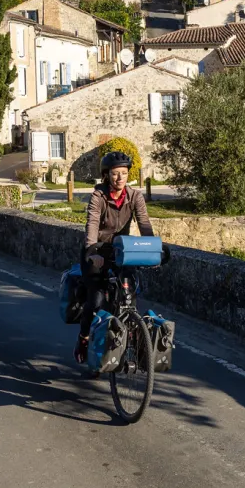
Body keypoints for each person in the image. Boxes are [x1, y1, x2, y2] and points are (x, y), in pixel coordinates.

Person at [74, 151, 156, 367]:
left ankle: (132, 342)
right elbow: (92, 223)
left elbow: (145, 224)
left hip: (122, 252)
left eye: (124, 173)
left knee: (130, 296)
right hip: (97, 251)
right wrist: (92, 252)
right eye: (115, 174)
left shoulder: (135, 196)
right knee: (97, 300)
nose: (120, 178)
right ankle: (84, 338)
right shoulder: (98, 196)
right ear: (106, 175)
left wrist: (154, 249)